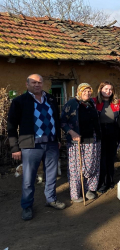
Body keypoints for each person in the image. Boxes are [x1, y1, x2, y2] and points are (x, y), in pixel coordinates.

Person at [7, 74, 65, 220]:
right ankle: (27, 206)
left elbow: (56, 120)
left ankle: (51, 199)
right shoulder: (20, 101)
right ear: (27, 85)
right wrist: (15, 147)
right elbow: (12, 126)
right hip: (31, 145)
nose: (37, 85)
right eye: (33, 82)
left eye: (39, 82)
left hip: (51, 143)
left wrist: (58, 138)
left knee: (51, 175)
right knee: (28, 178)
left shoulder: (50, 99)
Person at [61, 83, 102, 202]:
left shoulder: (92, 103)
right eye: (84, 91)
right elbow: (62, 121)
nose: (87, 93)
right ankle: (75, 194)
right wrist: (71, 132)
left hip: (93, 140)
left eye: (89, 91)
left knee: (92, 166)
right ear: (79, 92)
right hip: (76, 141)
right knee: (76, 168)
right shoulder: (71, 104)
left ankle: (90, 189)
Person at [93, 81, 120, 193]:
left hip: (113, 132)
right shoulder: (94, 102)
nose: (108, 91)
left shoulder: (117, 102)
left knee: (111, 158)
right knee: (101, 159)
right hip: (100, 132)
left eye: (110, 89)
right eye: (105, 89)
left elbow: (119, 119)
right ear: (100, 90)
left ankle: (110, 181)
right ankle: (102, 183)